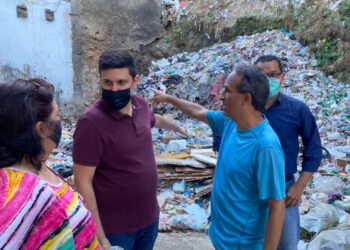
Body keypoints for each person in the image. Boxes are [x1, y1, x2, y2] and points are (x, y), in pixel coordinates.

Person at [151, 64, 286, 250]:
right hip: (220, 238)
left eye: (228, 91)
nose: (220, 96)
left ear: (246, 98)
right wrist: (168, 98)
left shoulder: (266, 147)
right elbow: (198, 111)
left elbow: (277, 206)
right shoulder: (230, 122)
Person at [73, 49, 188, 250]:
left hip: (149, 220)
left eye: (121, 83)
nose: (114, 89)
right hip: (116, 230)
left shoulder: (141, 105)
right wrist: (99, 237)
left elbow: (152, 120)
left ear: (135, 81)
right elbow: (83, 182)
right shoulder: (91, 123)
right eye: (107, 83)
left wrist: (176, 127)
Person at [0, 79, 100, 249]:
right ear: (41, 129)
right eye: (56, 117)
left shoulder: (34, 165)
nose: (59, 122)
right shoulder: (26, 199)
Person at [254, 55, 322, 250]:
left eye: (273, 75)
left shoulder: (297, 110)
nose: (267, 80)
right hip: (249, 190)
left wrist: (299, 186)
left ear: (282, 77)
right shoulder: (244, 108)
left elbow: (314, 150)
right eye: (261, 75)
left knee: (285, 245)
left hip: (284, 189)